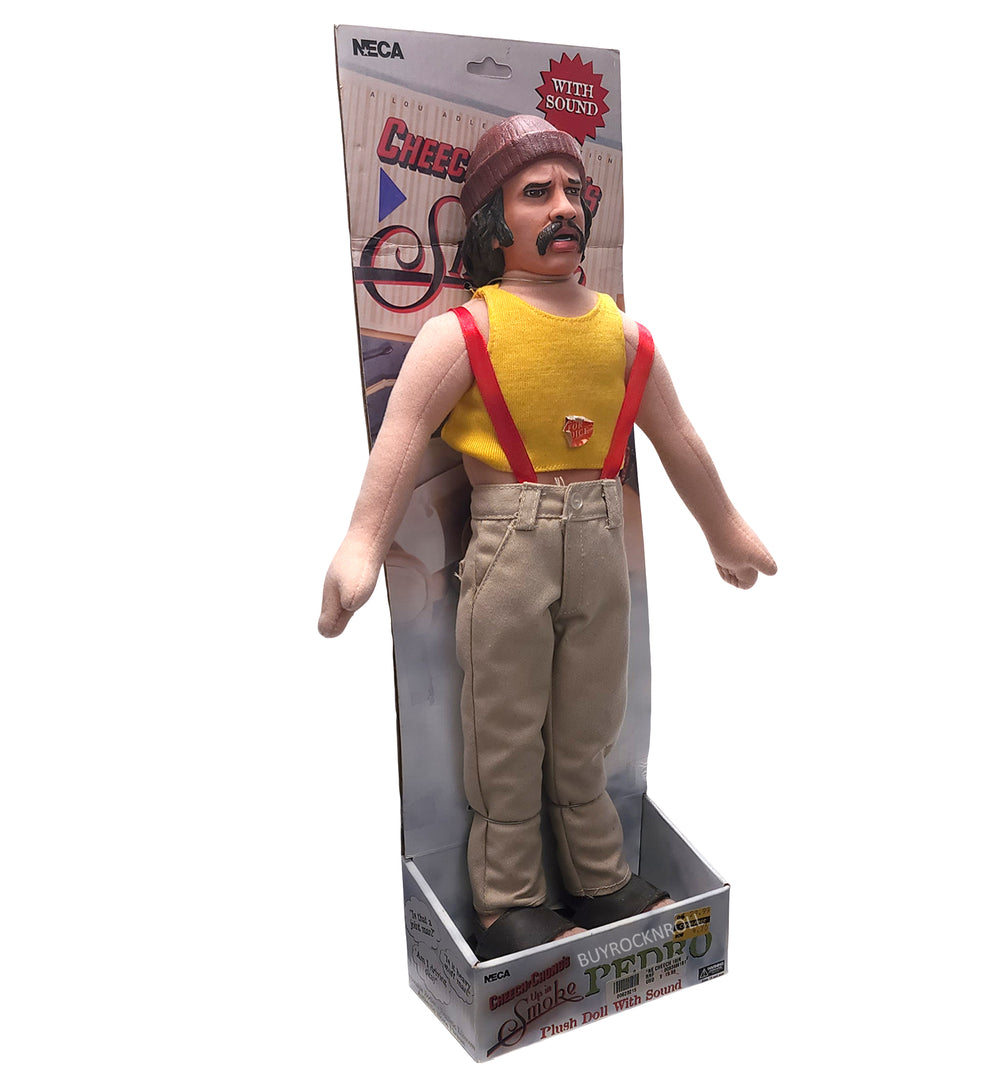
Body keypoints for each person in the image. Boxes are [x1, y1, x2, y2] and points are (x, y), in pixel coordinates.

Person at [319, 115, 776, 960]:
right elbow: (401, 438)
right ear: (493, 220)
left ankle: (598, 876)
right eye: (538, 193)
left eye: (574, 191)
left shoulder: (622, 333)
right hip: (509, 547)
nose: (565, 207)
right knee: (504, 728)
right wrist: (360, 547)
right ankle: (509, 898)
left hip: (602, 545)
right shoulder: (465, 331)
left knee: (590, 725)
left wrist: (727, 529)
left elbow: (679, 439)